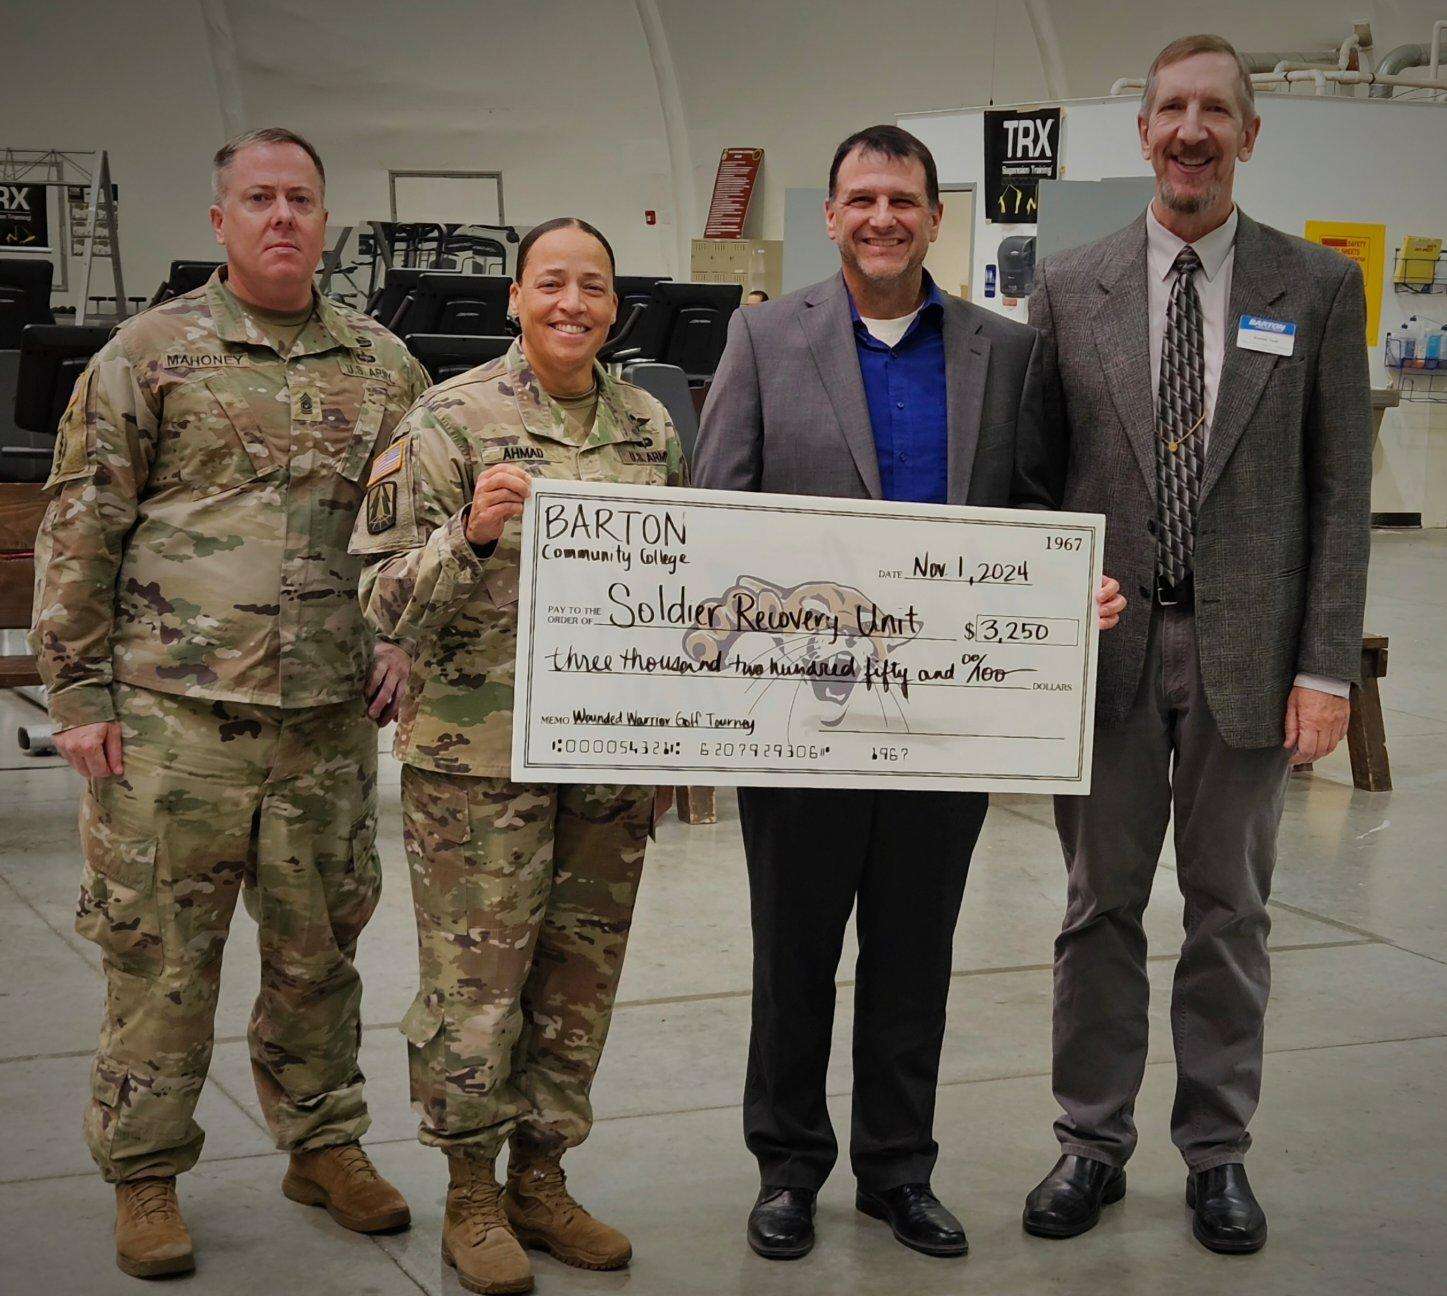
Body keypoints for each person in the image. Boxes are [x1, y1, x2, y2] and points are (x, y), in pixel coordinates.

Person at [693, 124, 1124, 1263]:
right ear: (830, 215)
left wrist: (1063, 597)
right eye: (861, 198)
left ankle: (898, 1169)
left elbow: (1034, 518)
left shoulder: (1003, 350)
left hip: (945, 721)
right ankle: (787, 1169)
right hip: (799, 719)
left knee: (913, 951)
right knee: (792, 954)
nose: (882, 217)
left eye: (904, 200)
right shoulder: (761, 336)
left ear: (939, 218)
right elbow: (716, 517)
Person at [29, 127, 429, 1279]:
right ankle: (145, 1175)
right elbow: (81, 524)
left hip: (325, 728)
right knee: (160, 958)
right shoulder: (146, 354)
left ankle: (323, 1145)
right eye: (258, 198)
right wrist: (77, 692)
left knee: (319, 955)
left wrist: (396, 637)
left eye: (301, 198)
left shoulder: (383, 365)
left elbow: (408, 531)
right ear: (219, 220)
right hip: (171, 727)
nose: (282, 217)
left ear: (327, 219)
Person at [1021, 35, 1372, 1255]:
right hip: (1110, 660)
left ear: (1248, 134)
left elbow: (1338, 493)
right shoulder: (1070, 287)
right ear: (1142, 131)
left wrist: (1324, 669)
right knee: (1095, 910)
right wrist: (1038, 625)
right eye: (1170, 106)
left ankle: (1217, 1153)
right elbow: (1035, 486)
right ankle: (1089, 1143)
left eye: (1215, 110)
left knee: (1229, 914)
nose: (1190, 129)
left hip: (1250, 667)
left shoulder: (1316, 287)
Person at [351, 216, 688, 1296]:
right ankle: (471, 1192)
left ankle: (542, 1179)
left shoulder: (647, 426)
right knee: (475, 989)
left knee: (577, 982)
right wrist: (474, 536)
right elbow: (380, 596)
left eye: (592, 286)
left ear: (614, 307)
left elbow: (682, 592)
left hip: (606, 755)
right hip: (477, 758)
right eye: (551, 283)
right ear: (513, 298)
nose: (571, 304)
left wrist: (686, 735)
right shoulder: (447, 422)